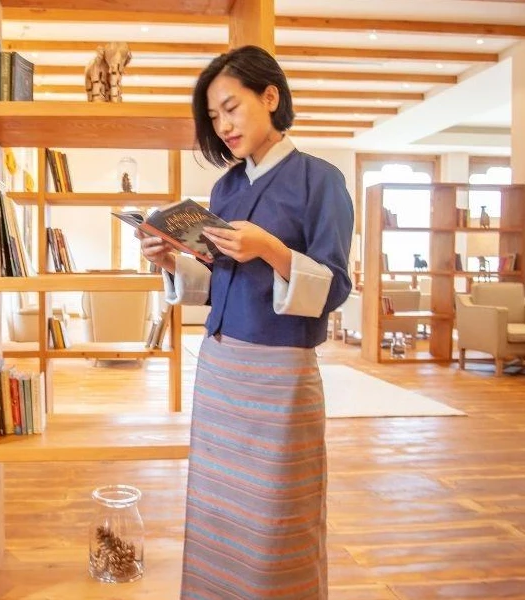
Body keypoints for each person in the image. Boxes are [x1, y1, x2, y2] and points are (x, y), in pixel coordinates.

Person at [139, 45, 354, 600]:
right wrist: (171, 259)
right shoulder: (227, 188)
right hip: (220, 366)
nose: (224, 125)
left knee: (279, 514)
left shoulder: (320, 181)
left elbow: (336, 287)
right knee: (218, 511)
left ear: (271, 96)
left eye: (231, 108)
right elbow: (224, 284)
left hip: (280, 377)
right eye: (214, 117)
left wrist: (273, 250)